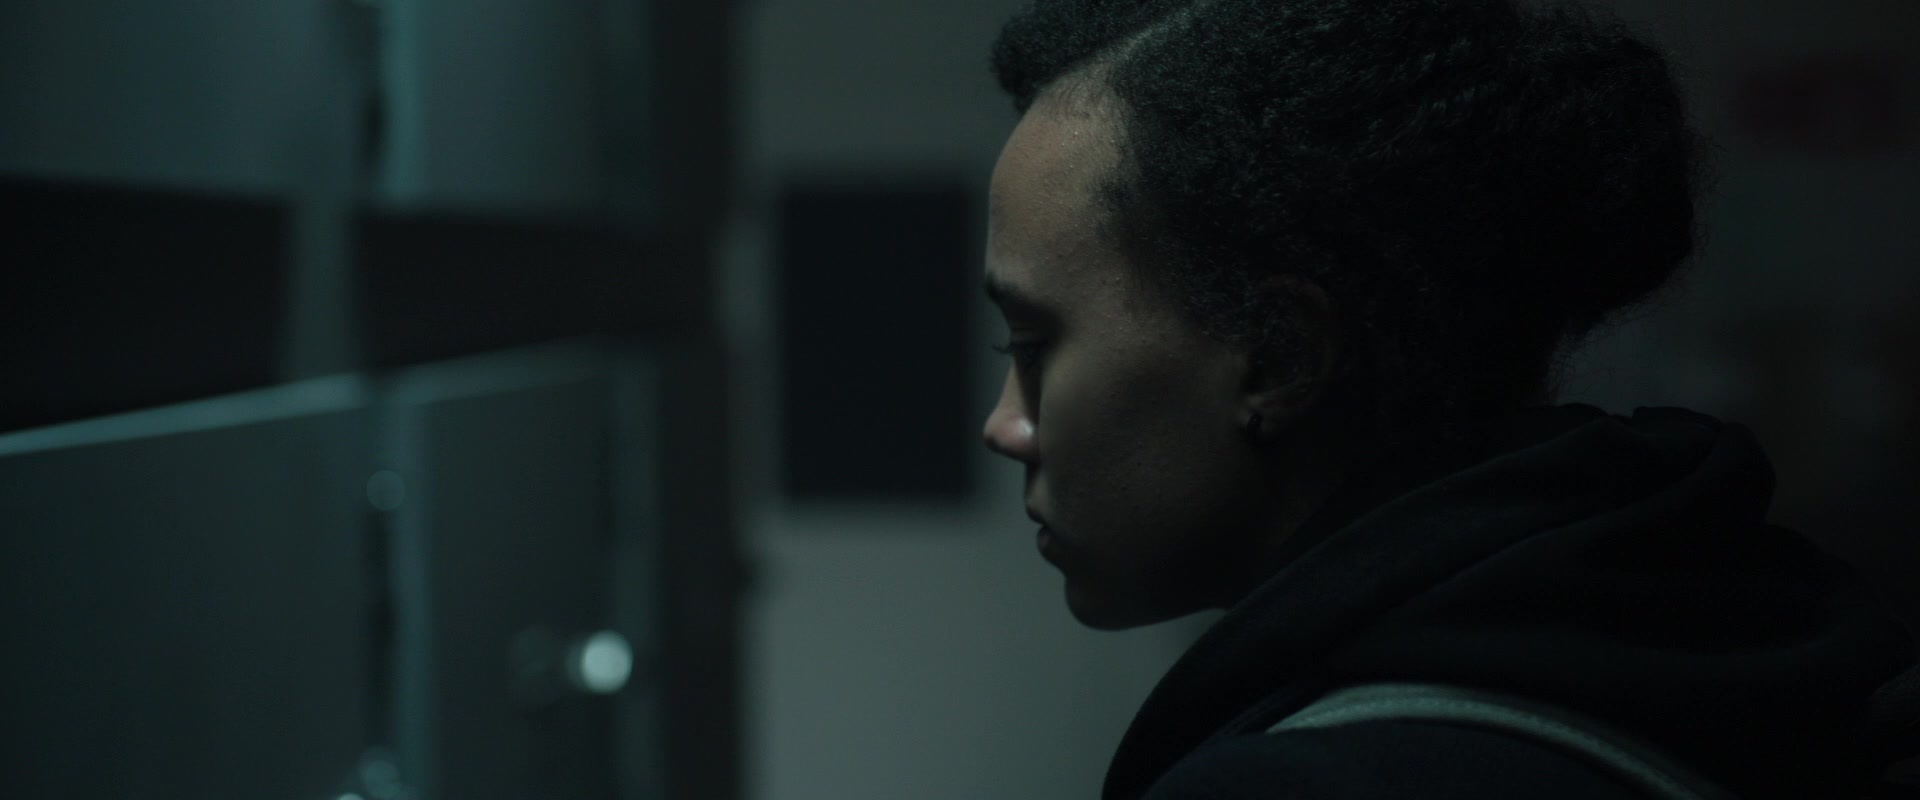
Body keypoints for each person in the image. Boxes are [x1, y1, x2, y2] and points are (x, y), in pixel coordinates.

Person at [975, 0, 1920, 797]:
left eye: (1033, 345)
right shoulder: (1747, 659)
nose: (1006, 426)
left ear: (1277, 356)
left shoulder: (1324, 782)